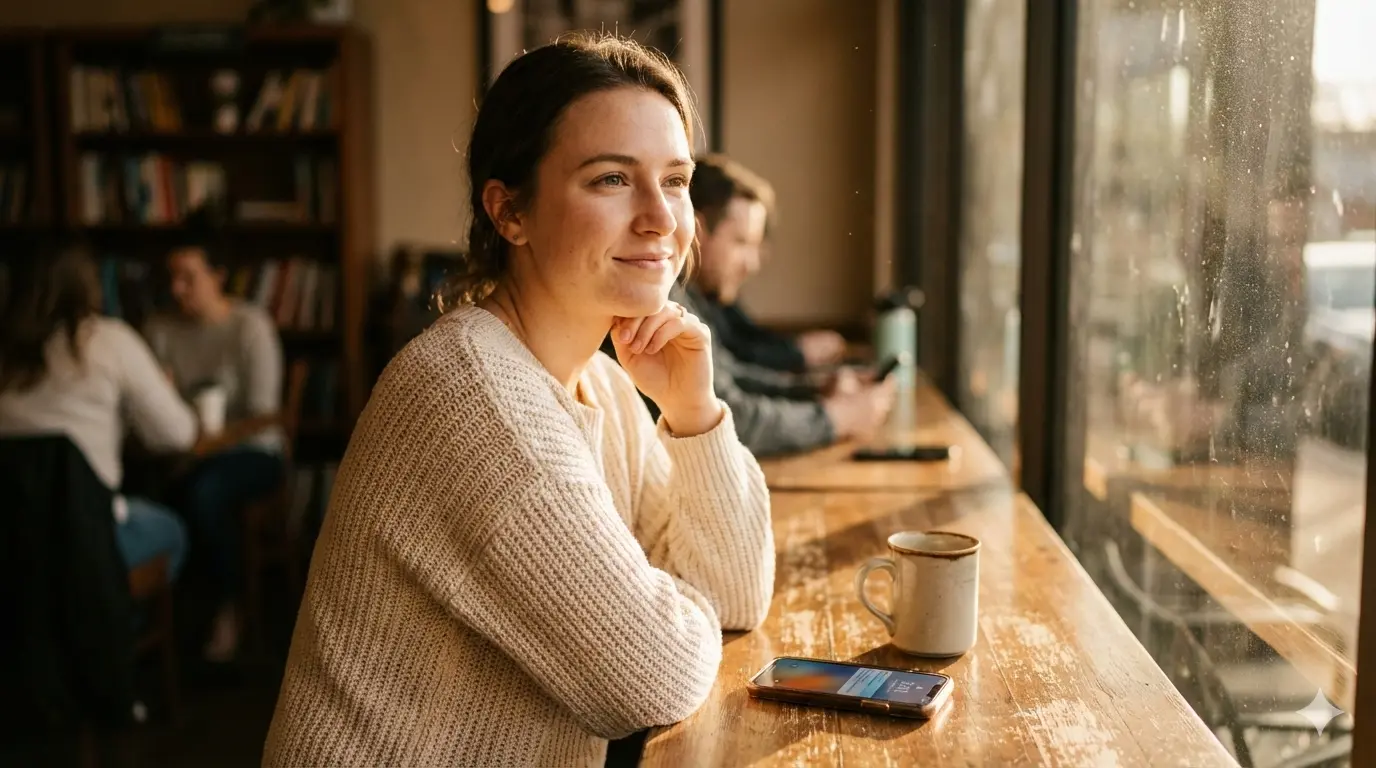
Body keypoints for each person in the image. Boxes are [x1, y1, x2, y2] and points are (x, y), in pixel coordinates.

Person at [264, 34, 773, 767]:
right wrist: (661, 601)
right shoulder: (470, 396)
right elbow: (650, 677)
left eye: (677, 179)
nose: (662, 218)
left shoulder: (602, 385)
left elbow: (735, 597)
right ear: (510, 213)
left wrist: (693, 415)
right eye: (610, 180)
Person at [0, 241, 196, 582]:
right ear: (90, 286)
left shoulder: (8, 352)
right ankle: (115, 629)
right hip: (86, 541)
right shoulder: (110, 340)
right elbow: (179, 434)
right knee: (171, 530)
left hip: (12, 544)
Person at [144, 215, 285, 662]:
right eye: (172, 277)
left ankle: (231, 606)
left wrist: (206, 439)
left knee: (204, 493)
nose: (177, 288)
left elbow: (265, 414)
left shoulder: (250, 327)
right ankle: (159, 621)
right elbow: (149, 410)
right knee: (145, 491)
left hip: (252, 452)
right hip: (183, 452)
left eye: (189, 277)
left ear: (218, 276)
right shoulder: (160, 330)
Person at [688, 154, 845, 372]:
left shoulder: (710, 295)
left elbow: (747, 340)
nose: (752, 265)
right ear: (697, 232)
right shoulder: (677, 301)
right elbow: (735, 371)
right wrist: (800, 356)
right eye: (740, 242)